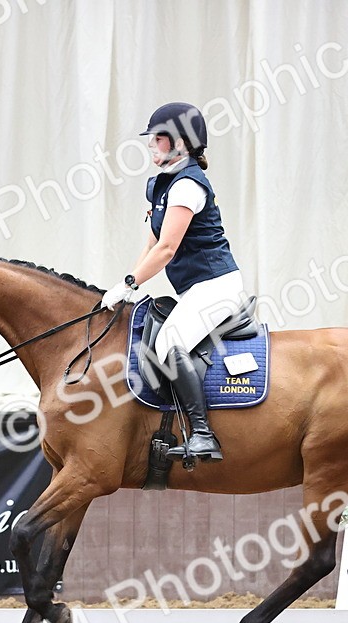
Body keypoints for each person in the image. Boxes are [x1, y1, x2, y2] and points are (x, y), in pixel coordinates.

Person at [102, 102, 244, 463]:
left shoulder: (188, 187)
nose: (152, 145)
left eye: (159, 139)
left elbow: (166, 249)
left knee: (169, 341)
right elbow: (151, 241)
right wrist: (126, 285)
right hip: (195, 289)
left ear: (183, 142)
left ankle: (203, 435)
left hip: (217, 286)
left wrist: (131, 282)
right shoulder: (162, 186)